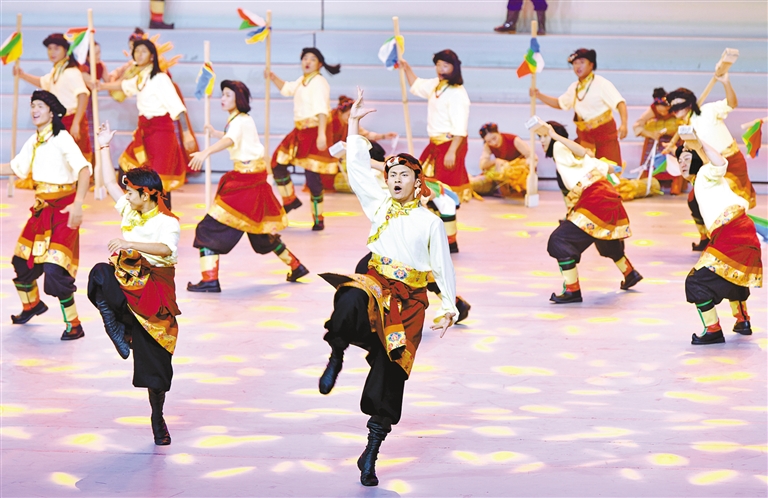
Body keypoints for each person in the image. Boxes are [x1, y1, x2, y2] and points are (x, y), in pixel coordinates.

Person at [317, 89, 457, 487]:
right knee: (350, 294)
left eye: (404, 175)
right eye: (392, 174)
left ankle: (371, 452)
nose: (396, 179)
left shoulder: (430, 222)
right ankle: (336, 354)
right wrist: (353, 124)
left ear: (417, 182)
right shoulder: (379, 204)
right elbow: (357, 167)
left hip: (409, 301)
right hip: (377, 282)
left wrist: (449, 306)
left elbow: (443, 267)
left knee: (390, 374)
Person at [88, 121, 181, 444]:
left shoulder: (167, 221)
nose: (125, 196)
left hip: (154, 294)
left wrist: (131, 245)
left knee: (156, 367)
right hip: (128, 284)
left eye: (130, 192)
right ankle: (114, 326)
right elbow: (107, 183)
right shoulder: (132, 209)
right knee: (99, 274)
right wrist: (103, 146)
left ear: (146, 194)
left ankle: (157, 417)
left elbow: (166, 249)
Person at [186, 80, 309, 292]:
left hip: (246, 181)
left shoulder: (240, 121)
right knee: (260, 231)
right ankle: (296, 266)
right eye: (223, 94)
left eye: (228, 95)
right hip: (252, 178)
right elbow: (232, 137)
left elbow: (230, 140)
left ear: (238, 99)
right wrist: (215, 133)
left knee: (208, 229)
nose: (222, 99)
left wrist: (205, 152)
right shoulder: (240, 119)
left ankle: (209, 280)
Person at [0, 91, 91, 339]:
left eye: (39, 105)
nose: (34, 110)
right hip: (41, 210)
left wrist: (78, 204)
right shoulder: (34, 141)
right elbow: (16, 167)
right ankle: (32, 305)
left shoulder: (62, 138)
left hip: (64, 210)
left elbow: (84, 170)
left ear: (52, 112)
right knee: (21, 260)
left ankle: (74, 324)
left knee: (55, 269)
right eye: (32, 106)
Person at [540, 121, 642, 303]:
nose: (541, 140)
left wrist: (555, 137)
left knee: (560, 240)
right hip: (605, 195)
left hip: (595, 198)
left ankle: (572, 290)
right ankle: (629, 273)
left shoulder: (559, 147)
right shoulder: (576, 160)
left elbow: (581, 152)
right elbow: (606, 167)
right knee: (600, 234)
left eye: (543, 136)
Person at [676, 141, 762, 345]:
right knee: (732, 275)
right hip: (738, 231)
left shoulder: (705, 173)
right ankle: (742, 320)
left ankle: (713, 330)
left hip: (731, 232)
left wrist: (700, 143)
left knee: (695, 282)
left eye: (687, 159)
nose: (682, 164)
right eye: (679, 160)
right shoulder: (700, 181)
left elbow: (720, 163)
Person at [96, 39, 192, 204]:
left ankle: (163, 216)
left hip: (161, 134)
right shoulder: (141, 78)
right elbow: (124, 85)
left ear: (152, 56)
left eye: (144, 51)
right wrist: (101, 86)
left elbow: (178, 107)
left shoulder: (160, 78)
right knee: (127, 169)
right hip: (144, 132)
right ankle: (138, 208)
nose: (139, 54)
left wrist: (187, 133)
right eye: (137, 51)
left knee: (159, 181)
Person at [267, 47, 341, 231]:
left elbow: (322, 110)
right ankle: (290, 200)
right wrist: (273, 77)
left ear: (320, 64)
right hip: (300, 131)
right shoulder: (302, 80)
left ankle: (318, 218)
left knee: (312, 177)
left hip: (315, 131)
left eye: (312, 59)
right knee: (277, 163)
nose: (307, 61)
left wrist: (322, 134)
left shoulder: (319, 82)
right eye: (305, 58)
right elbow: (287, 89)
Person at [665, 78, 756, 210]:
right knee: (707, 203)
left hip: (731, 161)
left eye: (678, 105)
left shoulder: (707, 111)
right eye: (673, 106)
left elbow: (732, 104)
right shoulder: (685, 127)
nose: (675, 110)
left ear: (689, 103)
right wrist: (673, 149)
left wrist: (726, 82)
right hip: (710, 168)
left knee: (732, 202)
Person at [533, 49, 627, 166]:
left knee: (609, 169)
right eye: (575, 63)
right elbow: (560, 103)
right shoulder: (574, 87)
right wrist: (539, 95)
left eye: (582, 62)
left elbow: (620, 103)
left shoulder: (602, 83)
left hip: (604, 135)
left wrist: (624, 124)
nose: (578, 66)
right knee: (584, 170)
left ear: (591, 64)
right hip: (585, 137)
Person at [400, 50, 472, 203]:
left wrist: (452, 151)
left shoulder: (458, 93)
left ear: (454, 67)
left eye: (445, 66)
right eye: (438, 65)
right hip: (435, 144)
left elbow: (460, 126)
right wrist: (406, 68)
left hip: (451, 144)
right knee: (427, 181)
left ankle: (446, 214)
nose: (440, 69)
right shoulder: (435, 85)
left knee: (446, 188)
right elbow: (416, 85)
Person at [14, 33, 92, 164]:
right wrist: (22, 75)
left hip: (71, 120)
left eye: (56, 48)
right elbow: (43, 82)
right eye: (49, 48)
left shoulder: (71, 72)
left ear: (65, 50)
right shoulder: (57, 71)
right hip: (59, 121)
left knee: (74, 159)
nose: (52, 52)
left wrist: (76, 123)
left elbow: (83, 95)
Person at [327, 95, 397, 193]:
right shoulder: (329, 120)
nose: (350, 118)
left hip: (344, 154)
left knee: (373, 147)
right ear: (340, 112)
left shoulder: (351, 122)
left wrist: (384, 136)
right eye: (348, 115)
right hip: (329, 153)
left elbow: (365, 134)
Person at [632, 87, 684, 195]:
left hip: (673, 139)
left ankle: (676, 183)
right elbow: (637, 126)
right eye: (660, 111)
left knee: (675, 160)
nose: (663, 113)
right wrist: (650, 134)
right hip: (655, 140)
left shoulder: (676, 109)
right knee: (651, 162)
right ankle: (647, 183)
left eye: (665, 110)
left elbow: (685, 123)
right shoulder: (652, 110)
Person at [473, 122, 535, 197]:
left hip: (520, 175)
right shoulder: (487, 146)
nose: (493, 143)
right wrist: (495, 161)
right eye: (489, 141)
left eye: (494, 138)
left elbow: (532, 157)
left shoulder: (513, 140)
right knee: (475, 183)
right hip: (500, 177)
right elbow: (482, 165)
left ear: (498, 132)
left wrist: (518, 166)